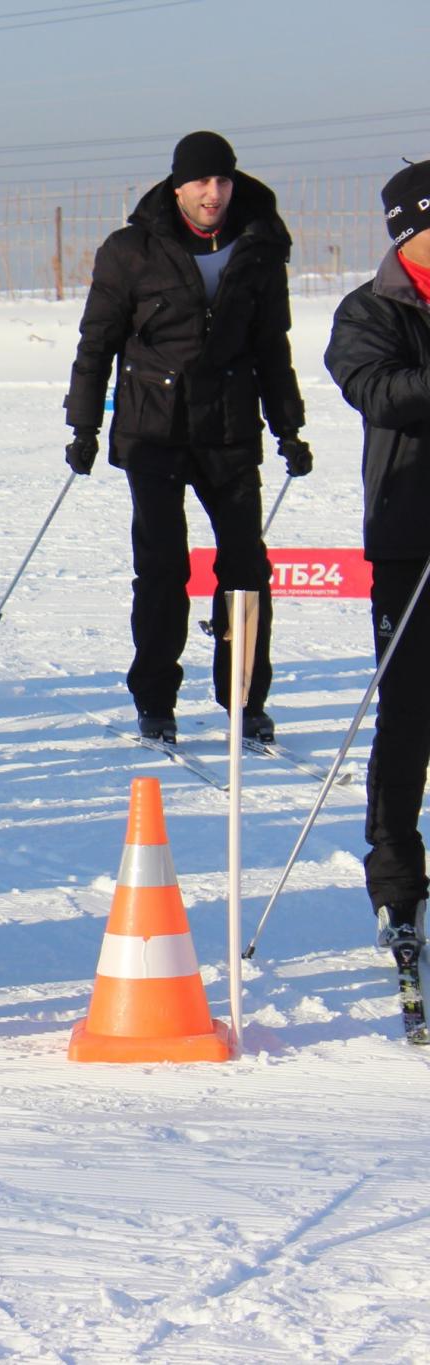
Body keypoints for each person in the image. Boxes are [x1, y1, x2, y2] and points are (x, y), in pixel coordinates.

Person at [65, 131, 312, 744]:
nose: (214, 193)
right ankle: (155, 698)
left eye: (223, 180)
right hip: (153, 430)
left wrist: (289, 427)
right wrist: (84, 424)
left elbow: (271, 347)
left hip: (228, 428)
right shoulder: (131, 250)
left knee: (246, 567)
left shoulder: (259, 243)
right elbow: (97, 342)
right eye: (201, 182)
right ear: (178, 186)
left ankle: (245, 698)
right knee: (162, 567)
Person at [324, 160, 430, 967]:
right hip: (410, 539)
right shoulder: (369, 310)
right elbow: (380, 391)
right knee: (408, 718)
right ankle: (397, 887)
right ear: (408, 232)